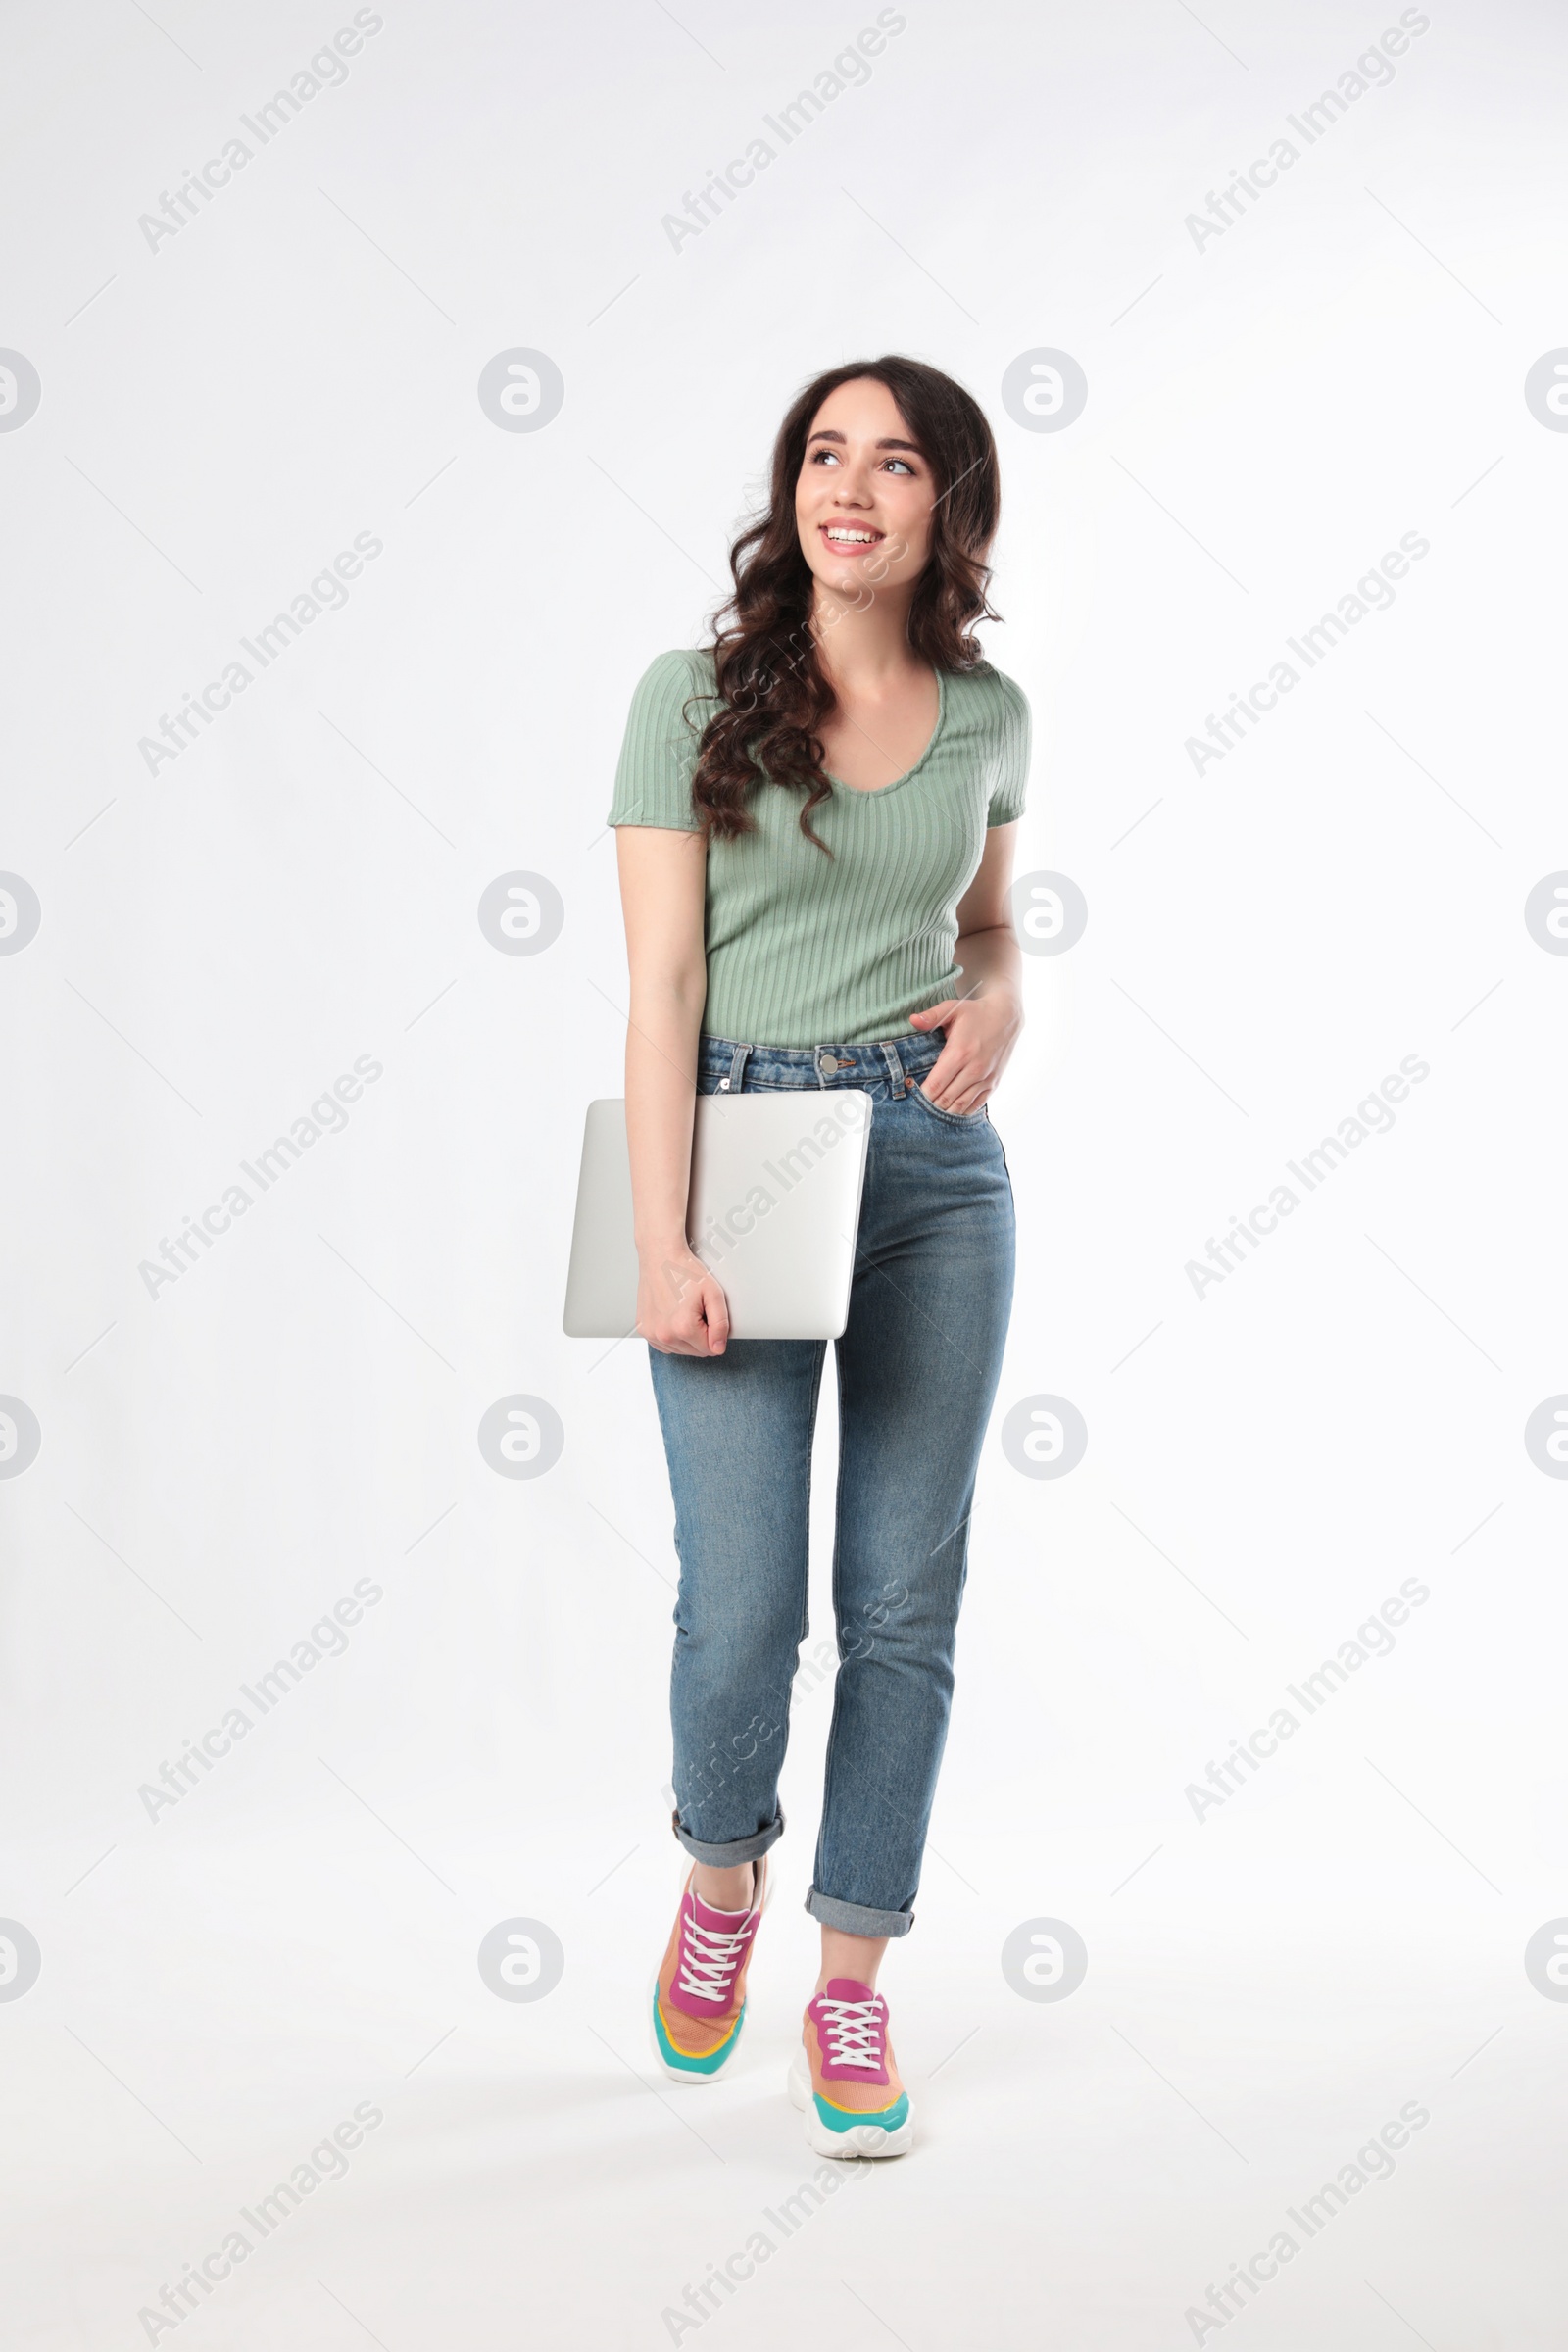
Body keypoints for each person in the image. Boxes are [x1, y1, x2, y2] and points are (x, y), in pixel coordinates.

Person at [607, 354, 1030, 2159]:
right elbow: (663, 989)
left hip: (934, 1166)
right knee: (743, 1609)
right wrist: (660, 1233)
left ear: (949, 506)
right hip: (746, 1147)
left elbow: (994, 929)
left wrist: (1005, 1002)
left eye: (896, 461)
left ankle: (848, 1978)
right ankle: (723, 1874)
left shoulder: (993, 712)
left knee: (905, 1606)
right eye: (825, 453)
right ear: (794, 488)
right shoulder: (688, 695)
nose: (850, 484)